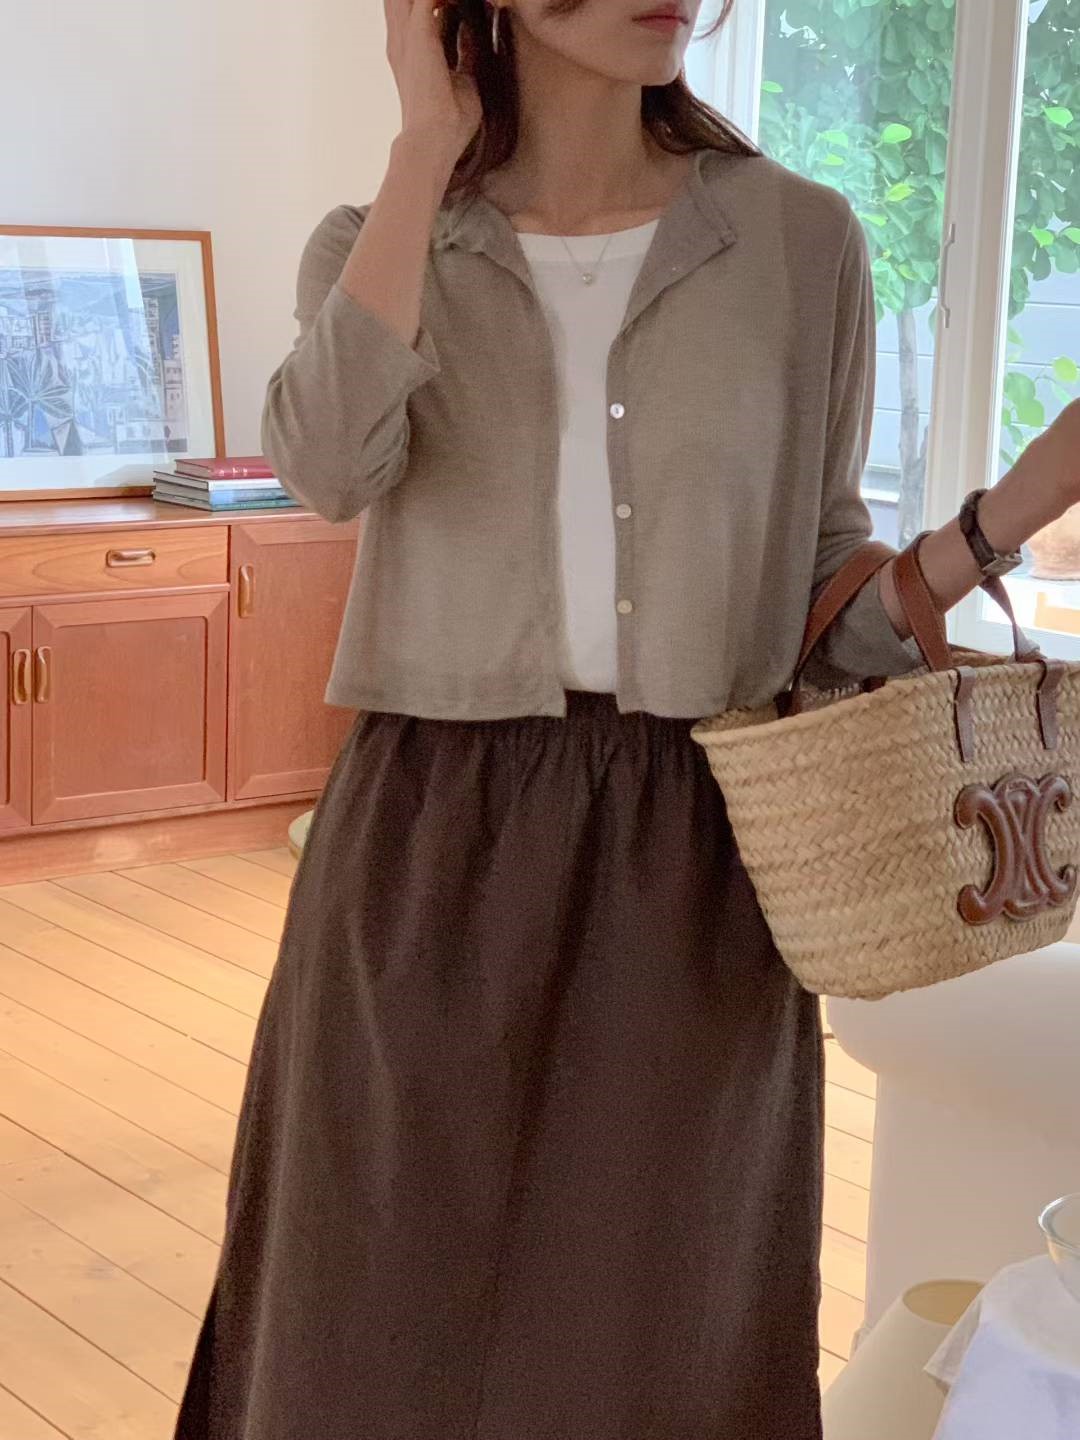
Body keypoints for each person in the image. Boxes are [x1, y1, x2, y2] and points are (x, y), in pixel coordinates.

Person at [175, 1, 1080, 1435]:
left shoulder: (800, 243)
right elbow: (326, 466)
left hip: (693, 844)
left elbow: (820, 616)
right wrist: (423, 146)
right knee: (371, 1292)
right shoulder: (380, 240)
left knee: (658, 1312)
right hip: (429, 835)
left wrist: (1019, 504)